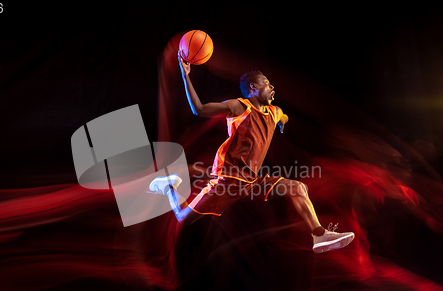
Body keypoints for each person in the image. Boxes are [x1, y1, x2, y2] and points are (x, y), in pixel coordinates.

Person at [149, 53, 354, 253]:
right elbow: (199, 109)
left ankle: (319, 235)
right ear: (253, 88)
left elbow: (284, 116)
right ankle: (169, 187)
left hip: (251, 182)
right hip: (228, 179)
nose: (271, 87)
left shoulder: (274, 112)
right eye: (266, 83)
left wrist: (282, 122)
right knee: (183, 217)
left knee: (298, 188)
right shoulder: (239, 106)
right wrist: (186, 76)